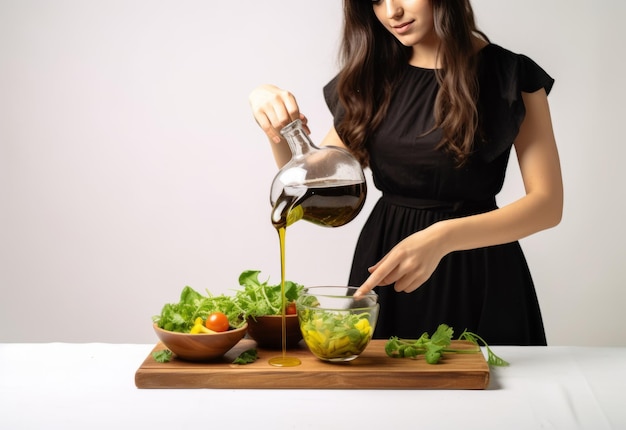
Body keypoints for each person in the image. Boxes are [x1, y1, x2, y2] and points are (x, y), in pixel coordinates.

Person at [248, 0, 563, 345]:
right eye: (377, 1)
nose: (391, 12)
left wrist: (442, 238)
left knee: (494, 390)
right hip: (386, 266)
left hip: (479, 270)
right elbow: (313, 186)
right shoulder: (373, 76)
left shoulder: (509, 75)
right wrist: (274, 121)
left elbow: (547, 205)